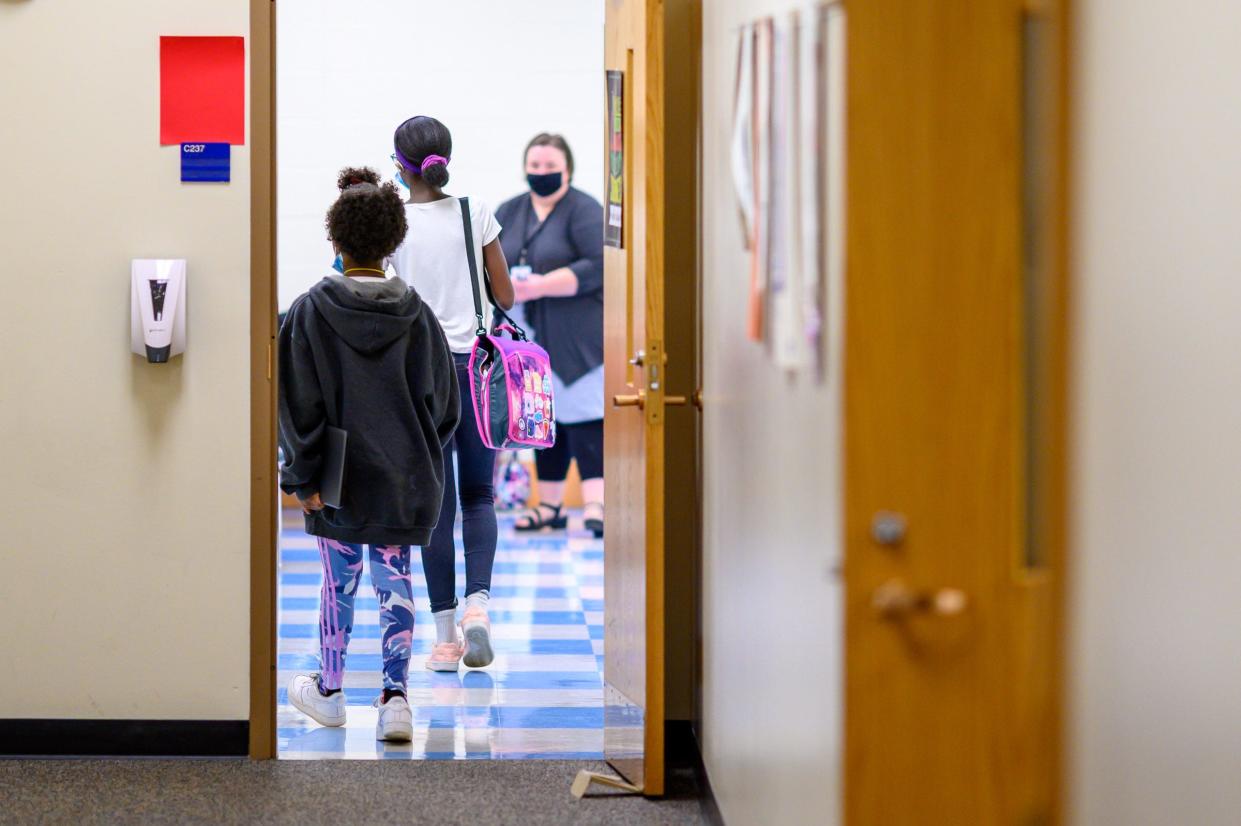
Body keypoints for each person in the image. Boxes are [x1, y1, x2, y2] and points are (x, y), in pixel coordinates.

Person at [279, 167, 460, 741]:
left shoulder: (309, 312)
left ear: (334, 240)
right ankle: (396, 701)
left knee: (339, 580)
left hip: (335, 472)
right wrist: (419, 453)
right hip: (405, 470)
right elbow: (445, 405)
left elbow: (298, 405)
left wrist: (301, 473)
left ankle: (330, 690)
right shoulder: (419, 316)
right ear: (393, 242)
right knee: (395, 580)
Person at [388, 115, 515, 672]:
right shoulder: (474, 211)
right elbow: (504, 291)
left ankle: (443, 640)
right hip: (476, 370)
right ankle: (478, 610)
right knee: (480, 495)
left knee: (436, 507)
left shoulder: (391, 224)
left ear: (399, 166)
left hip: (420, 377)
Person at [495, 134, 606, 538]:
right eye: (534, 165)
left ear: (568, 168)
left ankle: (596, 503)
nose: (541, 172)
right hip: (530, 342)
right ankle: (550, 505)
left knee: (585, 418)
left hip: (580, 338)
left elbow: (598, 263)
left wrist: (541, 285)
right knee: (544, 420)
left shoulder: (584, 209)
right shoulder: (511, 209)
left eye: (549, 165)